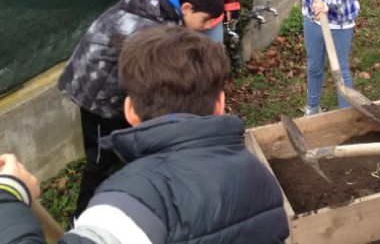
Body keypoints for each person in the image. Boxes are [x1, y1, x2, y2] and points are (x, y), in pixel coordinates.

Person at [1, 25, 290, 243]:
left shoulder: (127, 202)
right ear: (221, 103)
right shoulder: (262, 180)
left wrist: (8, 197)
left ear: (130, 111)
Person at [57, 0, 224, 222]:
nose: (207, 26)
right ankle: (81, 217)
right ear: (187, 8)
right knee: (100, 158)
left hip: (114, 86)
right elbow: (152, 78)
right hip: (98, 95)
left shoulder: (157, 6)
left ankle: (135, 188)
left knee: (134, 142)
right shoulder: (150, 26)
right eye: (205, 19)